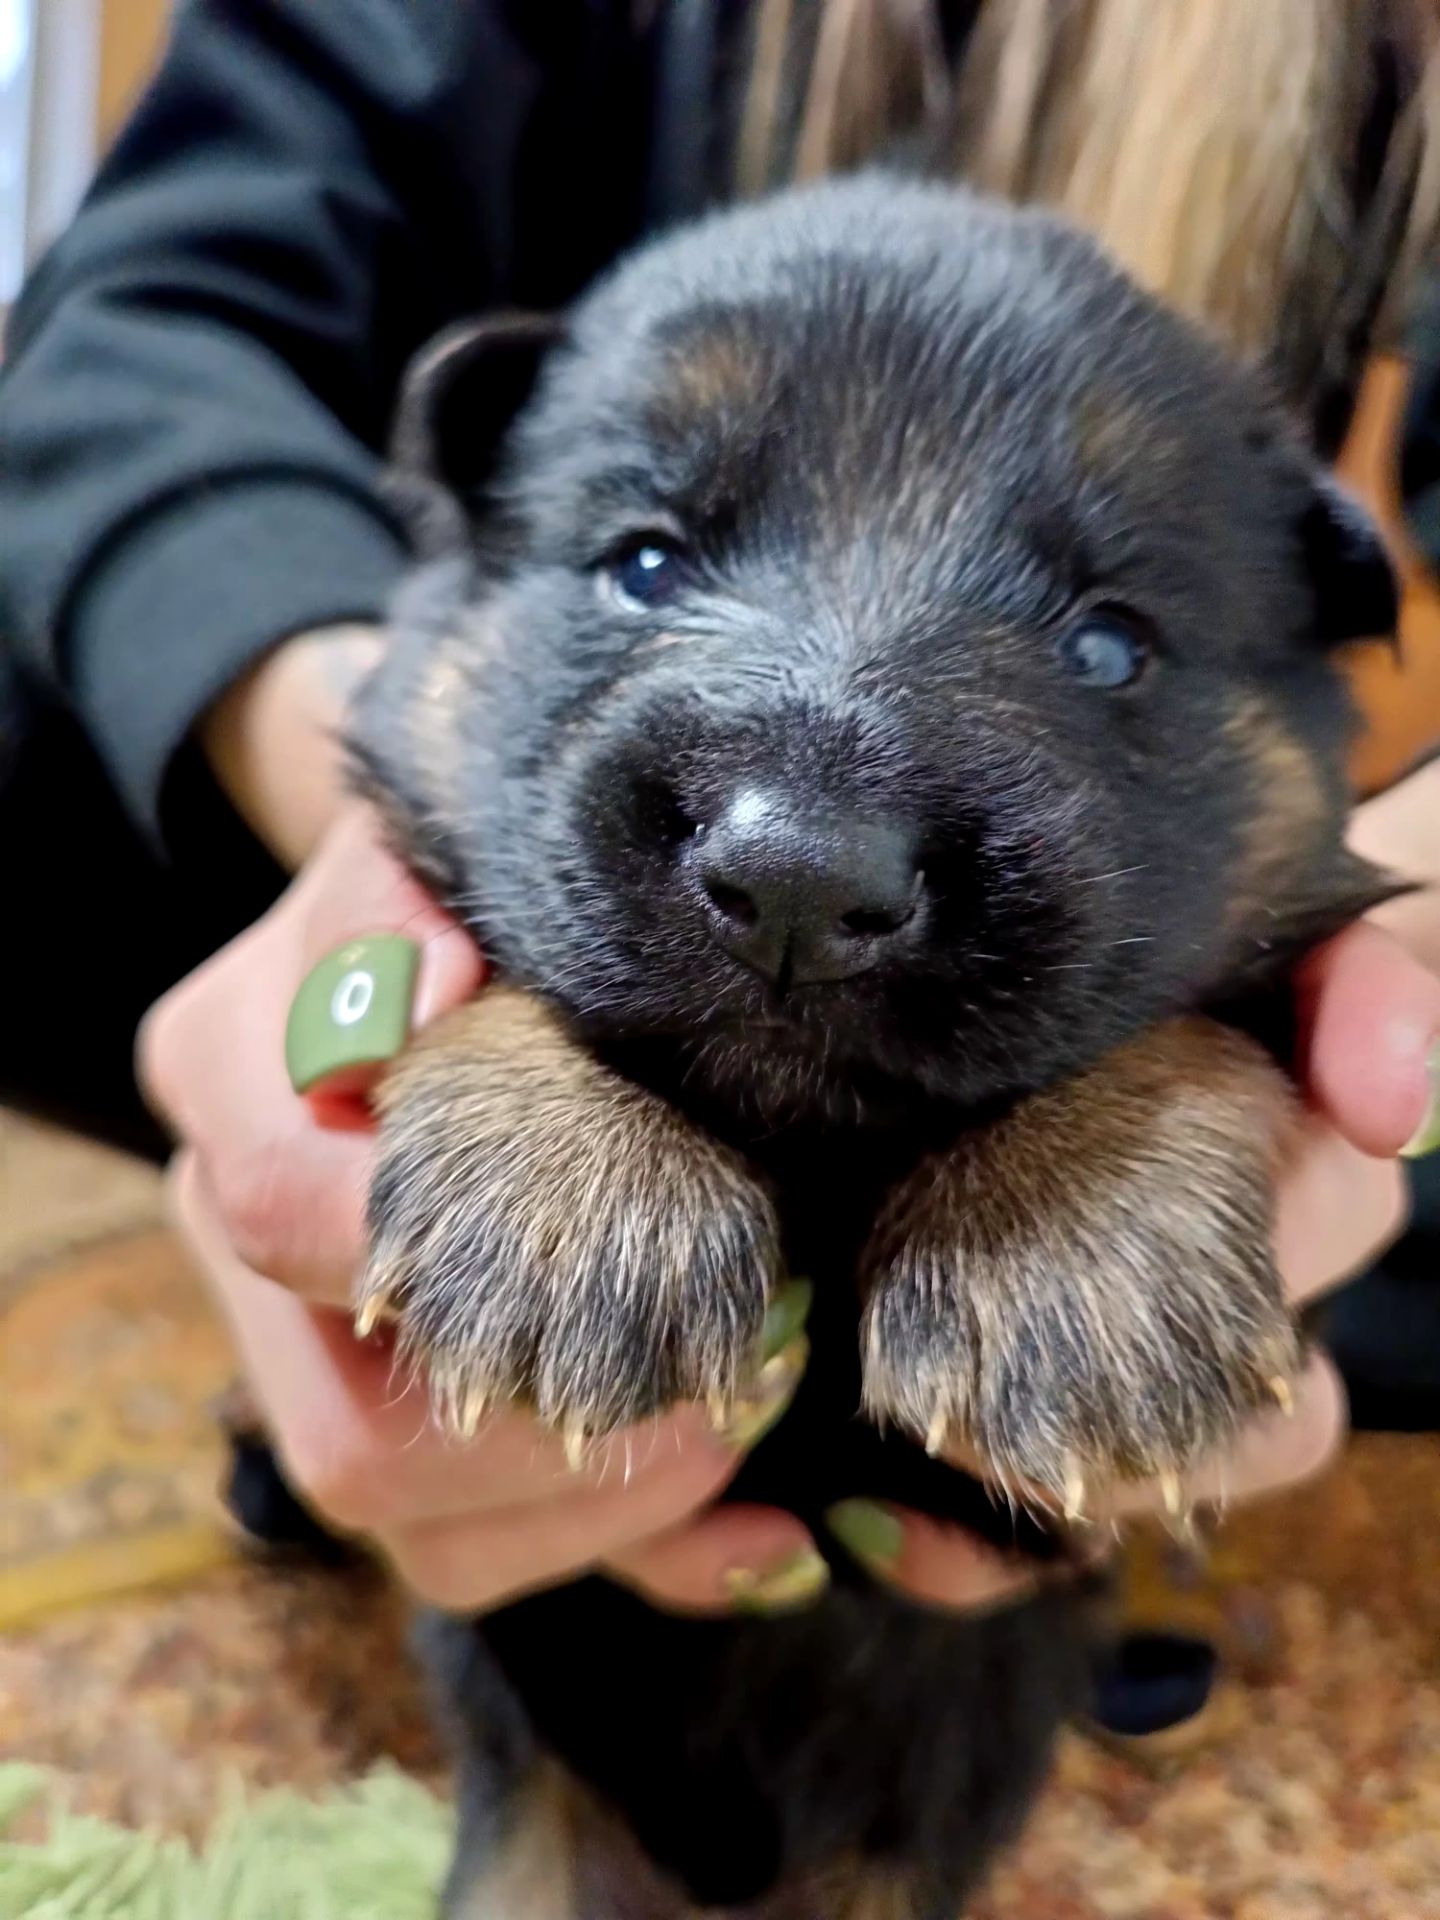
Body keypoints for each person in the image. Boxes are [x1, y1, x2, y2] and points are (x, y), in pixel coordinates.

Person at [0, 0, 1436, 1664]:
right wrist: (384, 905)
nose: (803, 846)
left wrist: (1294, 1036)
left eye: (1099, 638)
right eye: (650, 565)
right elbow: (145, 327)